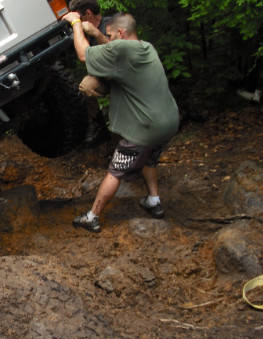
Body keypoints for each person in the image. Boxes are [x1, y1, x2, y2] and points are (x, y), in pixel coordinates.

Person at [61, 11, 179, 233]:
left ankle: (92, 216)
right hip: (169, 123)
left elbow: (84, 55)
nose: (108, 40)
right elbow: (113, 49)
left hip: (145, 129)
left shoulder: (121, 48)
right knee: (148, 159)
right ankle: (154, 200)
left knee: (115, 171)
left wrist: (75, 22)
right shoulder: (146, 47)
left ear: (121, 33)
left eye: (110, 35)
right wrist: (97, 33)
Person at [68, 0, 112, 146]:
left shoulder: (111, 24)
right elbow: (83, 58)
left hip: (122, 76)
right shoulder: (84, 33)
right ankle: (99, 128)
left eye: (79, 18)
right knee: (85, 87)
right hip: (102, 77)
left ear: (88, 14)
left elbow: (119, 52)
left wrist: (96, 34)